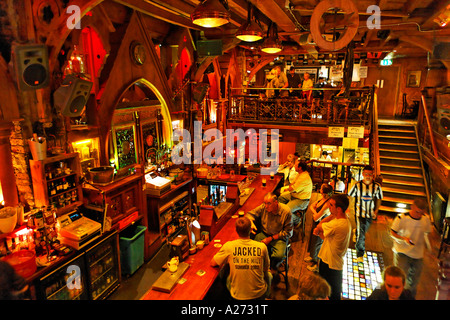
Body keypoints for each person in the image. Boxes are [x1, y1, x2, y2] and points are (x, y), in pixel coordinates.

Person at [211, 217, 272, 300]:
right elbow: (266, 269)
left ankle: (227, 295)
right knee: (269, 275)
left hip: (238, 297)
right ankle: (267, 296)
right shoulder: (262, 247)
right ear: (251, 229)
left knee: (224, 273)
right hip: (259, 295)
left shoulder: (229, 246)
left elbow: (213, 263)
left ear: (236, 230)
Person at [390, 198, 432, 298]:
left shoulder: (425, 219)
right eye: (417, 212)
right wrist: (404, 239)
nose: (419, 215)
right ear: (412, 207)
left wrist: (429, 248)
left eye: (421, 213)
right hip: (402, 252)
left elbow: (427, 233)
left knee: (414, 280)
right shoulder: (402, 218)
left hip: (418, 254)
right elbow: (392, 233)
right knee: (399, 278)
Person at [313, 193, 352, 300]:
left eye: (331, 205)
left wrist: (319, 228)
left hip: (331, 264)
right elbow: (328, 240)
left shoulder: (336, 224)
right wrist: (319, 232)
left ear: (339, 209)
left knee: (329, 293)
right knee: (328, 292)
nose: (328, 207)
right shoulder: (344, 220)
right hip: (331, 261)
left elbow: (319, 224)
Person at [245, 192, 293, 272]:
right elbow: (249, 214)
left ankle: (273, 267)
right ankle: (262, 268)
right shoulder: (264, 207)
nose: (266, 206)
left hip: (279, 238)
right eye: (265, 203)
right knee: (253, 250)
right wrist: (251, 222)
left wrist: (270, 239)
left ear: (276, 202)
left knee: (278, 256)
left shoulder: (286, 212)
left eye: (269, 204)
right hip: (264, 234)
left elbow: (288, 233)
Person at [348, 165, 383, 262]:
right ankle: (360, 254)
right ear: (363, 174)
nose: (368, 176)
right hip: (359, 213)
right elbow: (351, 197)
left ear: (372, 175)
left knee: (363, 231)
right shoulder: (356, 185)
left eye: (370, 174)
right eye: (366, 174)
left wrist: (376, 211)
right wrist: (349, 208)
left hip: (370, 214)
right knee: (361, 235)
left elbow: (379, 198)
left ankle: (357, 232)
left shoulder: (377, 187)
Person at [305, 183, 333, 273]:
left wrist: (314, 211)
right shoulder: (323, 198)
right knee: (313, 241)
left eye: (321, 188)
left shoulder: (327, 203)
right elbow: (311, 206)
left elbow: (316, 217)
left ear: (324, 192)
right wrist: (315, 211)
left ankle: (317, 266)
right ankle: (312, 257)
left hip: (322, 225)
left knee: (318, 243)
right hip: (316, 223)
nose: (319, 189)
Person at [278, 161, 312, 226]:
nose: (294, 167)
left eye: (296, 166)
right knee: (280, 198)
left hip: (302, 200)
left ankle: (297, 219)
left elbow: (291, 189)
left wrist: (291, 187)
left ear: (300, 168)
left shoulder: (303, 177)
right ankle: (281, 217)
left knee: (285, 211)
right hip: (295, 195)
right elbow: (291, 184)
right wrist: (291, 187)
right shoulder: (299, 174)